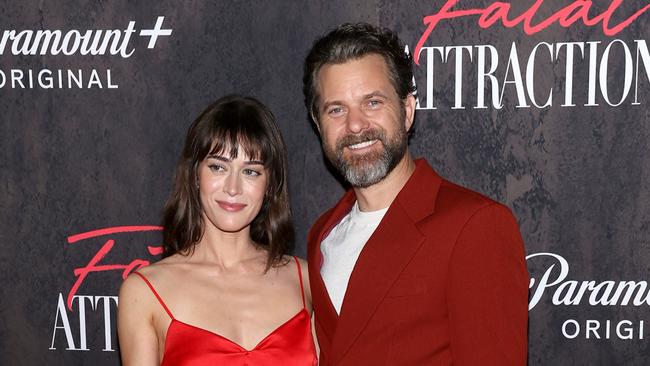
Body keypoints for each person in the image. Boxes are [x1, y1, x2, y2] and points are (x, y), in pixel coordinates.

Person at [303, 23, 529, 365]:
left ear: (407, 111)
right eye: (337, 110)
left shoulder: (475, 226)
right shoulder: (322, 234)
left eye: (372, 102)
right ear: (319, 126)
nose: (354, 125)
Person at [118, 95, 318, 365]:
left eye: (251, 172)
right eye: (218, 167)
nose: (233, 188)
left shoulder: (304, 280)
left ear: (270, 185)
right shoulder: (145, 292)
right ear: (195, 175)